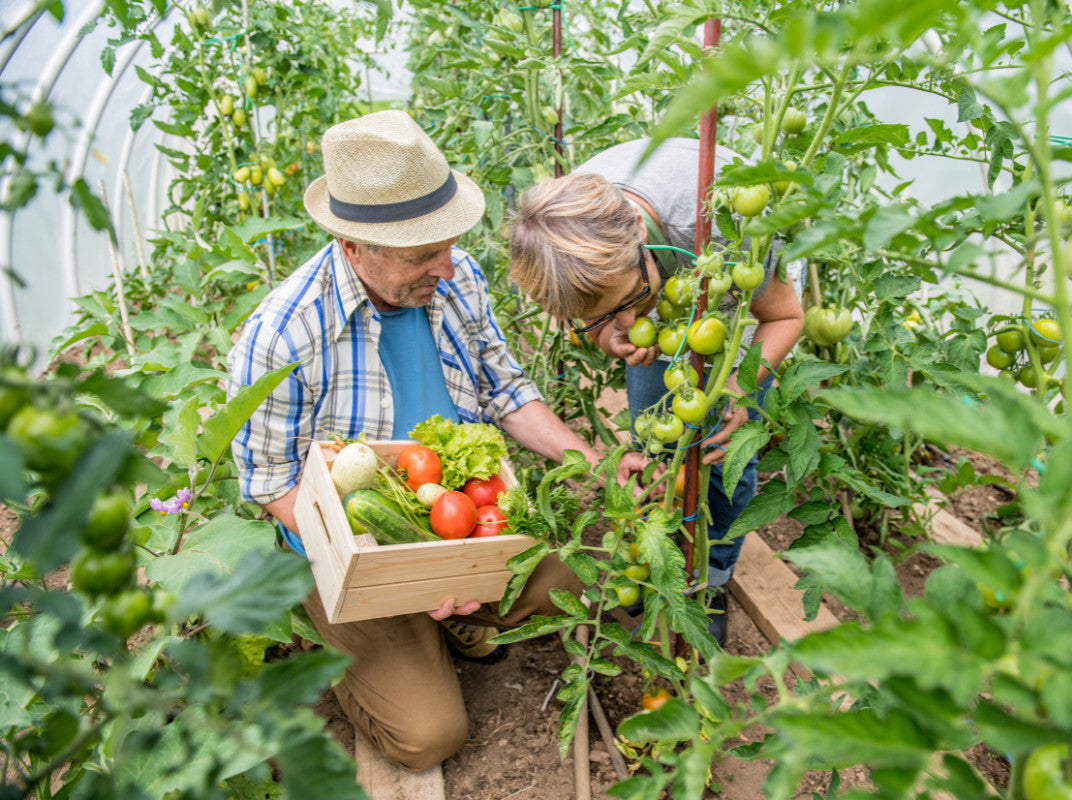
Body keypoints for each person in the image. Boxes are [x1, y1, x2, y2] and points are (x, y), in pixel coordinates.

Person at [227, 110, 646, 771]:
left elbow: (506, 390)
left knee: (583, 570)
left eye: (449, 244)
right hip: (357, 549)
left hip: (463, 516)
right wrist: (394, 574)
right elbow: (274, 485)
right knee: (428, 737)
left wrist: (592, 460)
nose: (448, 268)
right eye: (423, 254)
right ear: (351, 246)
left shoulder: (459, 278)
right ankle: (350, 647)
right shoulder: (283, 335)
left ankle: (455, 617)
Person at [508, 138, 806, 645]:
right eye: (605, 312)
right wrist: (609, 333)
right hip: (669, 295)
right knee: (655, 446)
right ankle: (661, 561)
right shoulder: (563, 237)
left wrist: (737, 390)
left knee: (726, 457)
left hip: (741, 309)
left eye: (628, 301)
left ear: (642, 239)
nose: (628, 322)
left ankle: (711, 578)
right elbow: (598, 318)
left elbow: (785, 316)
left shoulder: (729, 224)